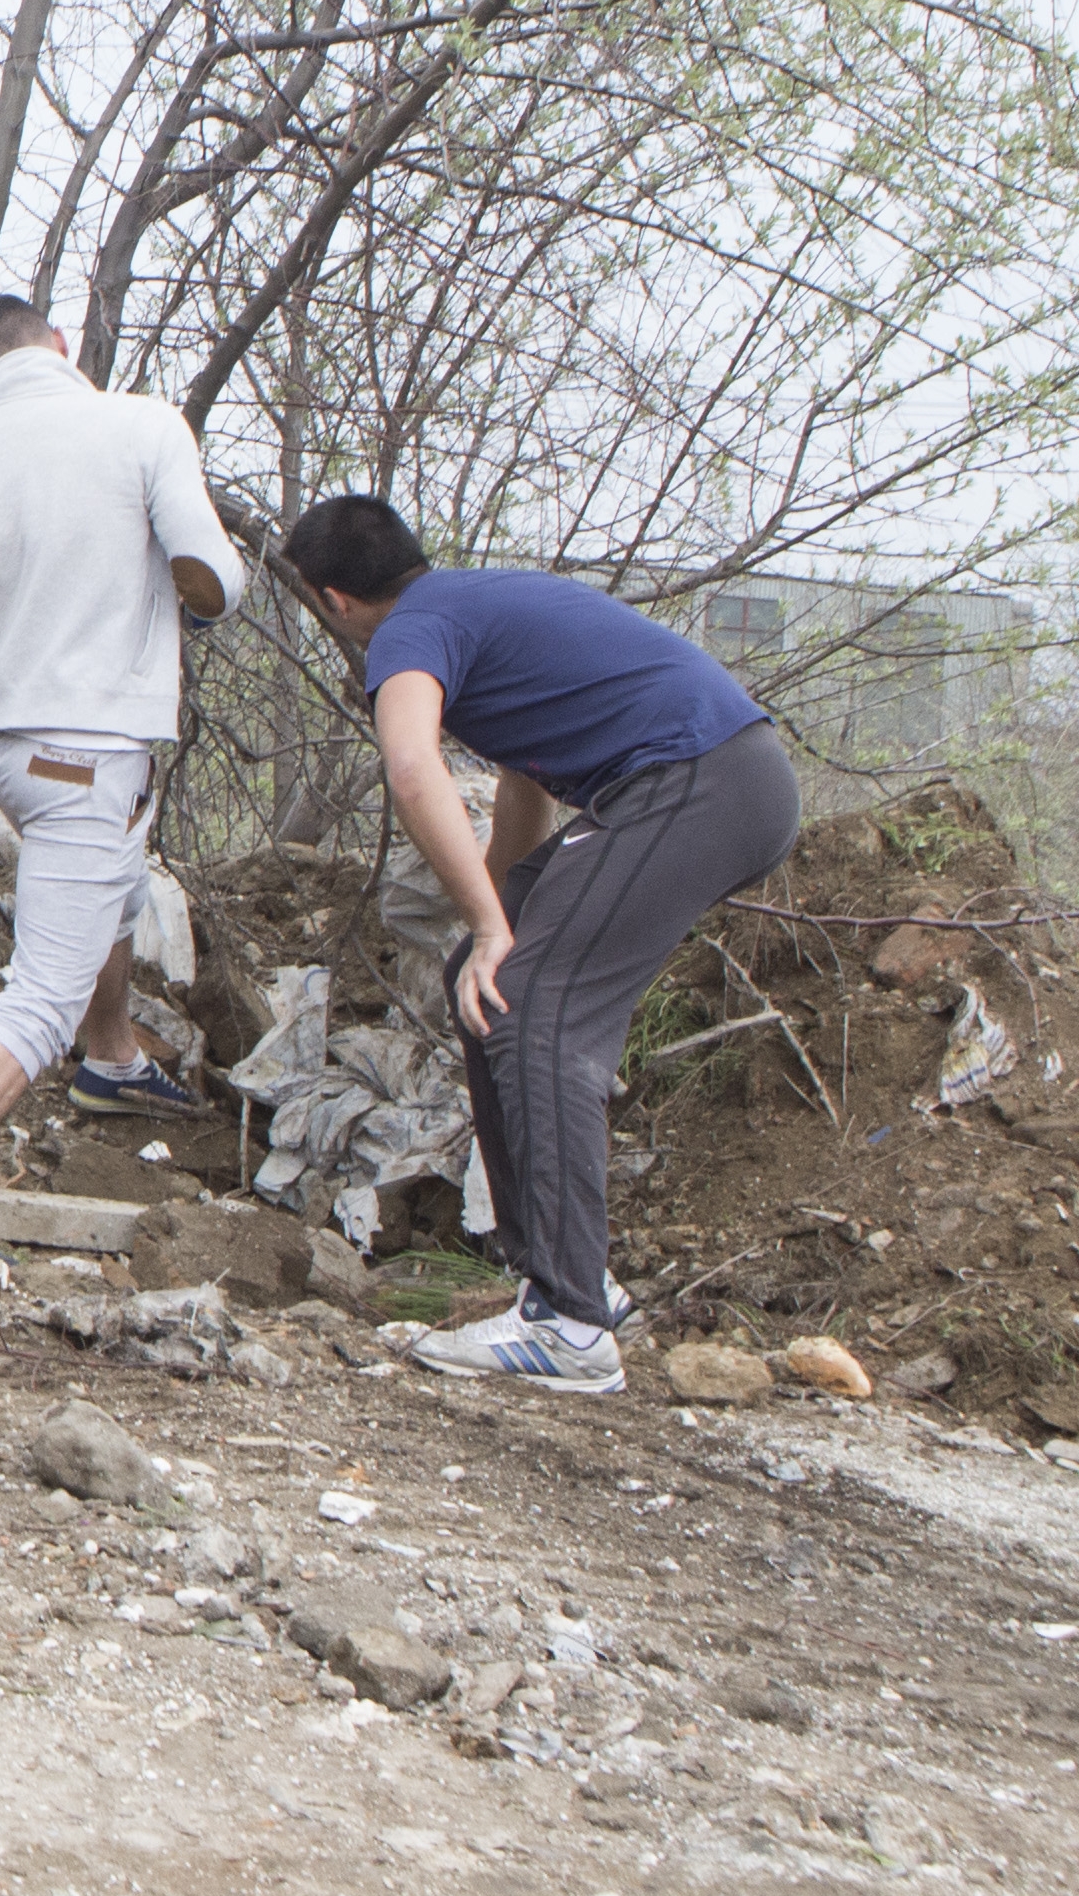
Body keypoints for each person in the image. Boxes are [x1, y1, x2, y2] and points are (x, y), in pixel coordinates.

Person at [283, 494, 801, 1396]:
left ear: (334, 600)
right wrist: (497, 917)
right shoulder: (480, 603)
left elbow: (410, 767)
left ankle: (570, 1324)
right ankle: (563, 1282)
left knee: (530, 1003)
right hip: (715, 776)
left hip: (696, 778)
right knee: (489, 987)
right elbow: (530, 786)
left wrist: (492, 930)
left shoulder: (408, 630)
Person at [0, 295, 249, 1274]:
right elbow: (214, 576)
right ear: (62, 349)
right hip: (89, 746)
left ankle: (110, 1060)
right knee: (42, 987)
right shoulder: (142, 423)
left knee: (104, 873)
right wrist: (186, 597)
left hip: (5, 740)